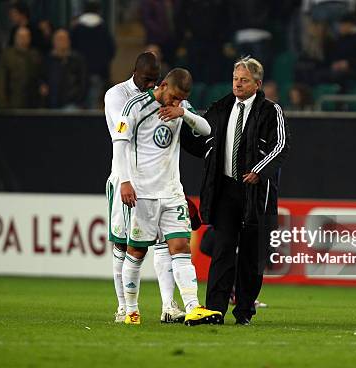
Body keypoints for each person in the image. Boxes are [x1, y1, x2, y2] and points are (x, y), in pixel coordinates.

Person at [182, 56, 290, 325]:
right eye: (235, 79)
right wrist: (181, 128)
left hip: (257, 191)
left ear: (257, 83)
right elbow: (201, 141)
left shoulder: (270, 110)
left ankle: (244, 311)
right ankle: (215, 309)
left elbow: (281, 147)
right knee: (222, 249)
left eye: (243, 80)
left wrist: (259, 170)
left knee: (253, 256)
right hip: (226, 189)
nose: (238, 84)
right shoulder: (220, 108)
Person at [112, 67, 221, 326]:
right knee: (136, 252)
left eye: (181, 99)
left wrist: (183, 112)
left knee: (181, 246)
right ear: (162, 86)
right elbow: (120, 142)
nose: (175, 102)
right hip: (142, 193)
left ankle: (193, 307)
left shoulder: (181, 107)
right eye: (173, 97)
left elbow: (206, 129)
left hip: (172, 192)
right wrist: (125, 182)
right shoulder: (135, 106)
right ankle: (130, 310)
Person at [104, 52, 185, 324]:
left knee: (165, 242)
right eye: (146, 79)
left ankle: (168, 305)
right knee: (123, 244)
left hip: (157, 184)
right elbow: (121, 134)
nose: (149, 85)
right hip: (124, 179)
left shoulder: (158, 97)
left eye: (154, 80)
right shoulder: (117, 95)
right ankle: (123, 306)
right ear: (134, 72)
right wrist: (126, 179)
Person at [71, 0, 116, 109]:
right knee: (93, 103)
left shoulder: (77, 29)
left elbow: (72, 49)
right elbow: (111, 49)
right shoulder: (103, 28)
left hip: (79, 72)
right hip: (98, 71)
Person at [0, 27, 43, 109]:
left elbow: (39, 78)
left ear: (30, 38)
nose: (23, 39)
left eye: (26, 36)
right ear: (15, 38)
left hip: (31, 105)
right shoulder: (6, 56)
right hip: (12, 103)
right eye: (20, 36)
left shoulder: (35, 55)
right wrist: (2, 104)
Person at [40, 29, 88, 110]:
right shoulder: (47, 60)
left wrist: (78, 100)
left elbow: (83, 82)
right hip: (51, 104)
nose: (61, 42)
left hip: (71, 104)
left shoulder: (77, 60)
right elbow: (42, 78)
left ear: (69, 41)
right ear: (53, 41)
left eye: (64, 39)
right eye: (59, 39)